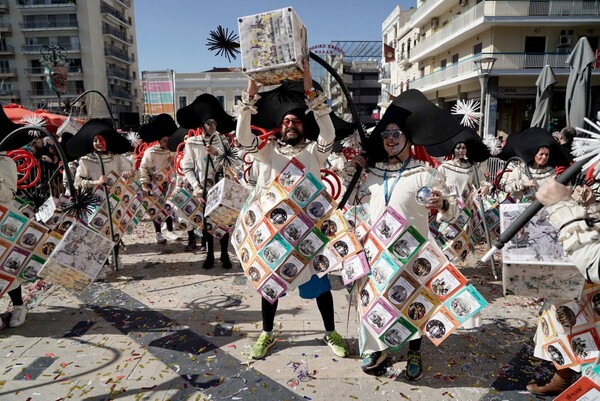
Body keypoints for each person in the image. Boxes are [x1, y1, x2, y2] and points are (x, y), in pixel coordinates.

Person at [235, 57, 349, 360]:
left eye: (295, 121)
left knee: (321, 288)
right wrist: (251, 89)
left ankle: (330, 332)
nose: (289, 124)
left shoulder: (315, 152)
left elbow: (329, 134)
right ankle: (267, 333)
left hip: (308, 234)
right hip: (274, 234)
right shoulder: (268, 152)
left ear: (303, 125)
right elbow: (242, 138)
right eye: (285, 121)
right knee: (268, 286)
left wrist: (309, 86)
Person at [348, 89, 461, 379]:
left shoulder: (425, 173)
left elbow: (454, 211)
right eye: (385, 134)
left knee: (414, 306)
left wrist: (443, 203)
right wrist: (351, 172)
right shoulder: (370, 173)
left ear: (409, 138)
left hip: (414, 254)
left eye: (396, 133)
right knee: (373, 301)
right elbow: (352, 205)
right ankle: (376, 347)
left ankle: (413, 352)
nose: (390, 138)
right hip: (375, 254)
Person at [67, 119, 134, 278]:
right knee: (99, 235)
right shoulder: (85, 160)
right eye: (95, 140)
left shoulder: (116, 157)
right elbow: (78, 182)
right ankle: (102, 264)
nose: (98, 143)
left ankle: (115, 256)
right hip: (95, 203)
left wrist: (128, 174)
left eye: (101, 139)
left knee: (115, 231)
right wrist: (96, 182)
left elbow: (132, 172)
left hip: (114, 201)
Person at [176, 94, 234, 268]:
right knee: (207, 223)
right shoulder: (192, 143)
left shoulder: (223, 141)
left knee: (224, 221)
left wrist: (218, 153)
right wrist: (196, 187)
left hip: (221, 185)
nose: (213, 126)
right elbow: (187, 168)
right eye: (209, 123)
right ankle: (209, 255)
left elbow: (232, 162)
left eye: (214, 123)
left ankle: (224, 254)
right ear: (202, 125)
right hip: (203, 188)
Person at [0, 108, 35, 329]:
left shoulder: (6, 162)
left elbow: (5, 194)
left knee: (7, 265)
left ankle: (19, 306)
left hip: (4, 222)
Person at [138, 114, 179, 244]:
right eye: (164, 141)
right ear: (159, 140)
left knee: (169, 206)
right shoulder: (150, 152)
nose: (167, 144)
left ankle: (170, 230)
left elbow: (178, 165)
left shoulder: (173, 151)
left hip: (170, 183)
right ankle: (158, 233)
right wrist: (145, 184)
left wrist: (173, 161)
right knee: (155, 208)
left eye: (169, 141)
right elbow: (143, 168)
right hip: (155, 184)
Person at [503, 128, 560, 202]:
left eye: (547, 155)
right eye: (541, 154)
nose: (544, 157)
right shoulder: (521, 169)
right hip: (522, 209)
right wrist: (524, 184)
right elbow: (506, 186)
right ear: (534, 154)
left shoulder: (551, 172)